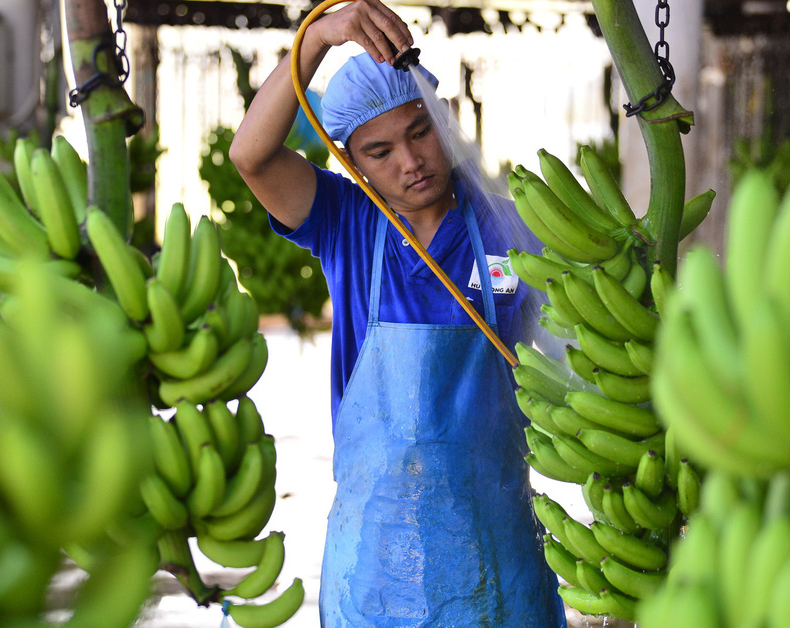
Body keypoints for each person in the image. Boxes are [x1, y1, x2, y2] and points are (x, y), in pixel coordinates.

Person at [228, 0, 567, 625]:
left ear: (444, 117)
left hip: (499, 555)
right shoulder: (343, 222)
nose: (410, 162)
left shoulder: (516, 226)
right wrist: (319, 35)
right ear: (352, 164)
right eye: (379, 152)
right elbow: (250, 155)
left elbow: (577, 362)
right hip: (375, 569)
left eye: (419, 132)